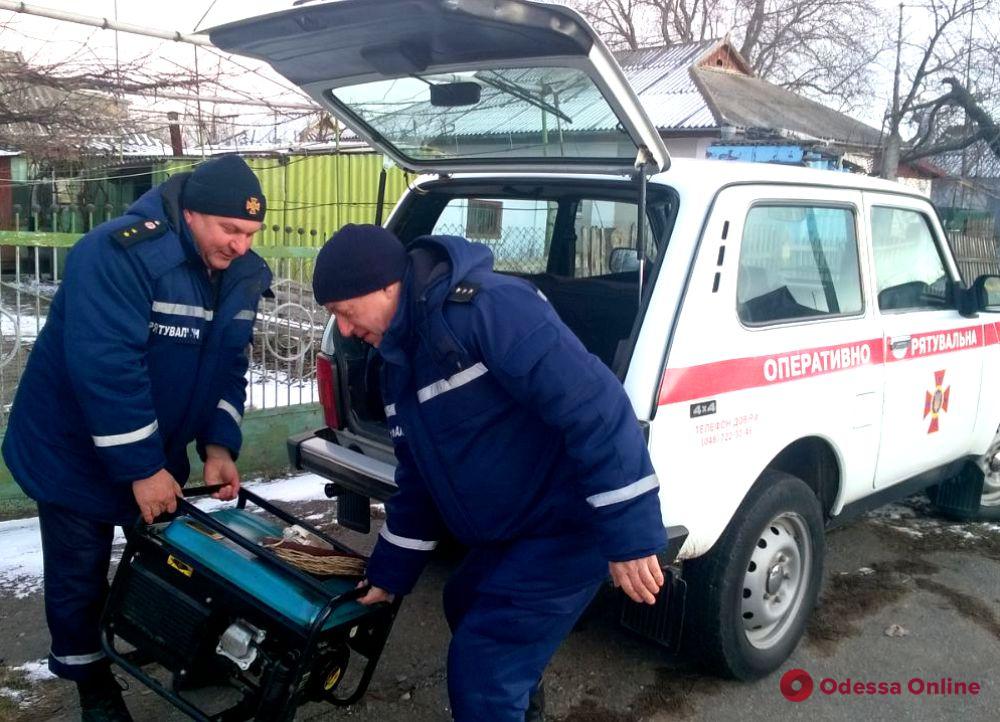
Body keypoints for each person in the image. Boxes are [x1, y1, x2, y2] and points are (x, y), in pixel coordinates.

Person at [311, 224, 667, 721]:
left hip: (567, 526)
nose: (345, 331)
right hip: (514, 529)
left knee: (483, 666)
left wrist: (630, 533)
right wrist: (388, 574)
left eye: (346, 313)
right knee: (464, 600)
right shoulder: (400, 360)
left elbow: (596, 406)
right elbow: (419, 477)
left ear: (386, 285)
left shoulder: (490, 309)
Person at [2, 155, 272, 722]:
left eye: (251, 233)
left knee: (171, 558)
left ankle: (182, 645)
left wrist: (218, 446)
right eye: (229, 230)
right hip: (70, 447)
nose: (241, 246)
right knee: (79, 574)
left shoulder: (244, 273)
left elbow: (229, 364)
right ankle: (91, 684)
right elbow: (106, 365)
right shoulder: (118, 253)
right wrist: (143, 468)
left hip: (150, 443)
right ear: (192, 214)